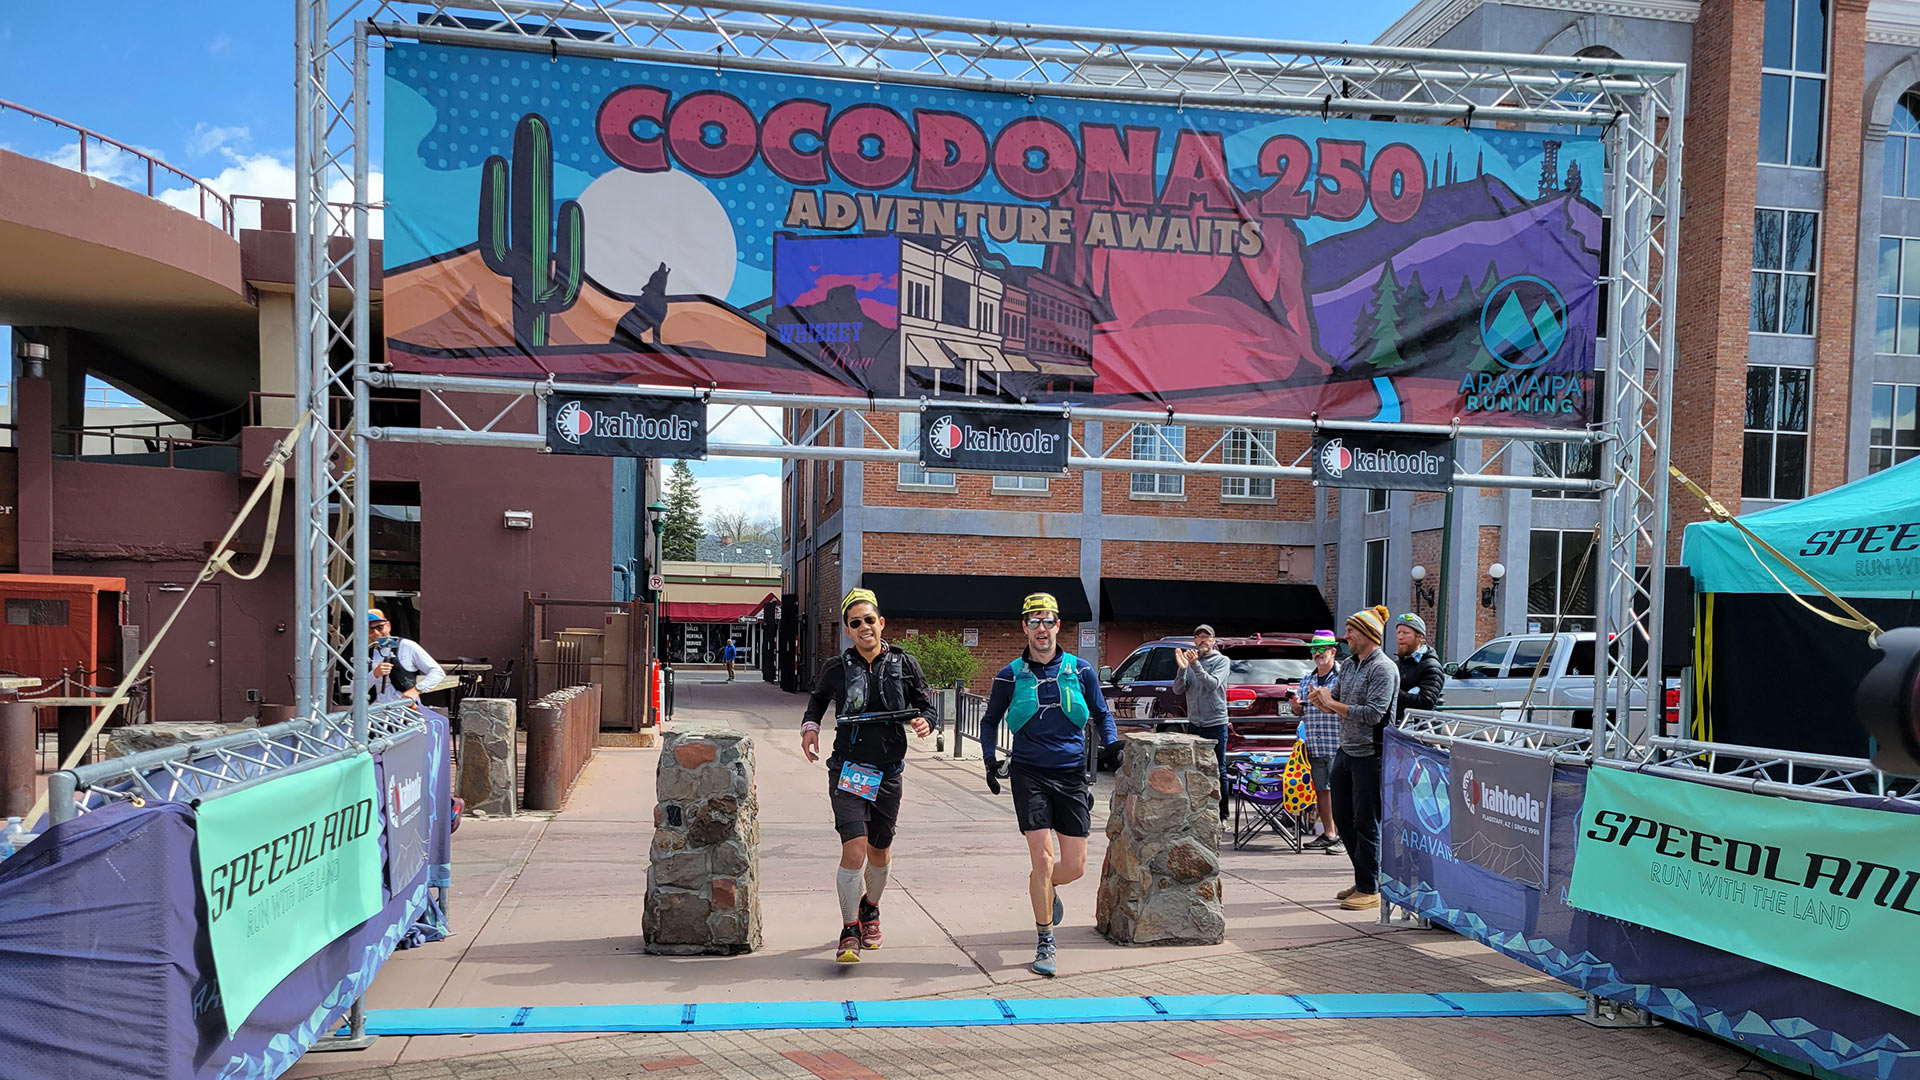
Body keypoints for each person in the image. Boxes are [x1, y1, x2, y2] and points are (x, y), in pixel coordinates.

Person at [979, 592, 1120, 978]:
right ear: (1024, 627)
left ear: (1059, 626)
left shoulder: (1081, 670)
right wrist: (990, 760)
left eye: (1048, 621)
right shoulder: (1010, 674)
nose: (1041, 629)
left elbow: (1101, 714)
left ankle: (1043, 886)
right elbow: (990, 720)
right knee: (1041, 858)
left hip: (1071, 772)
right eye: (1034, 621)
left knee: (1073, 866)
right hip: (1029, 773)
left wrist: (1114, 746)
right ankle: (1045, 940)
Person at [800, 588, 934, 964]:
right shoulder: (836, 667)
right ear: (847, 629)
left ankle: (870, 908)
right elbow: (817, 699)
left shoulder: (905, 664)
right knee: (854, 850)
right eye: (855, 622)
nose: (864, 627)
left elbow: (926, 704)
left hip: (889, 773)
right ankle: (849, 929)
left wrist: (927, 721)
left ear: (881, 623)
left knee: (880, 851)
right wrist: (810, 726)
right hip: (849, 770)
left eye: (869, 620)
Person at [1306, 605, 1399, 911]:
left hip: (1371, 755)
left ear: (1369, 634)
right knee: (1343, 818)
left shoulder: (1383, 668)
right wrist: (1320, 700)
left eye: (1351, 631)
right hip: (1345, 750)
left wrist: (1332, 702)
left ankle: (1370, 886)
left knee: (1365, 821)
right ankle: (1363, 876)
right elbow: (1335, 699)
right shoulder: (1349, 666)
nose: (1345, 636)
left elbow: (1373, 714)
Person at [1290, 630, 1344, 855]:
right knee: (1322, 790)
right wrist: (1296, 705)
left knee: (1341, 791)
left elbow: (1347, 706)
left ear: (1333, 651)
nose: (1317, 653)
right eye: (1314, 649)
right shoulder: (1307, 679)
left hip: (1338, 742)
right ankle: (1329, 834)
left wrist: (1325, 700)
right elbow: (1299, 712)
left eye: (1322, 649)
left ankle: (1342, 836)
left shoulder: (1342, 676)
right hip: (1314, 743)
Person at [1172, 623, 1232, 820]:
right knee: (1195, 769)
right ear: (1195, 641)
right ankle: (1198, 813)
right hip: (1195, 723)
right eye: (1199, 637)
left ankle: (1222, 815)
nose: (1203, 640)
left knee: (1218, 768)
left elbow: (1212, 684)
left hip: (1215, 722)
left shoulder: (1222, 661)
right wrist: (1182, 669)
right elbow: (1178, 690)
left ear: (1213, 640)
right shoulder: (1189, 662)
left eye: (1207, 636)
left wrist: (1195, 665)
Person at [367, 609, 444, 706]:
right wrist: (374, 674)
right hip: (378, 712)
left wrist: (416, 690)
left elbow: (437, 672)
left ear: (388, 626)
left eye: (380, 627)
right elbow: (355, 689)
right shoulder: (366, 654)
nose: (376, 633)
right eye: (370, 630)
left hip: (405, 711)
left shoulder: (406, 645)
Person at [1393, 613, 1446, 722]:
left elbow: (1426, 702)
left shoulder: (1431, 666)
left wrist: (1392, 693)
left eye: (1406, 633)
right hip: (1396, 726)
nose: (1400, 637)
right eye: (1398, 633)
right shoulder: (1398, 663)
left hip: (1416, 731)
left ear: (1420, 636)